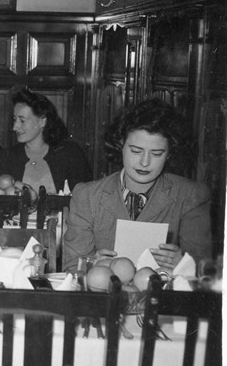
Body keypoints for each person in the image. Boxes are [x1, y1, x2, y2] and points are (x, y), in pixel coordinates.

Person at [63, 99, 212, 273]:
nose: (144, 162)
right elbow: (71, 268)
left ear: (169, 153)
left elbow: (206, 272)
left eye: (156, 154)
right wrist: (90, 264)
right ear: (120, 146)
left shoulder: (190, 195)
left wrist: (185, 264)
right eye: (135, 151)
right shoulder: (87, 196)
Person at [0, 88, 91, 194]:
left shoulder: (69, 153)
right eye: (14, 119)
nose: (15, 127)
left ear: (42, 122)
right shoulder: (6, 156)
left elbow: (85, 196)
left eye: (22, 120)